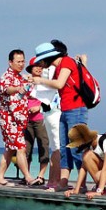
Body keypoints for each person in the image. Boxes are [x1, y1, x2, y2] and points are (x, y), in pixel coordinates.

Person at [29, 40, 89, 192]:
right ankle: (63, 182)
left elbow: (59, 84)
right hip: (65, 109)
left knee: (77, 148)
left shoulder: (67, 62)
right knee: (64, 148)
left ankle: (83, 184)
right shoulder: (58, 67)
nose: (41, 65)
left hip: (76, 109)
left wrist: (40, 80)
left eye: (41, 61)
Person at [0, 49, 36, 186]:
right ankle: (28, 177)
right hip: (9, 118)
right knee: (20, 147)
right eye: (18, 62)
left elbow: (28, 92)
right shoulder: (6, 77)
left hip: (20, 118)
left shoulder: (21, 77)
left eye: (23, 61)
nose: (21, 64)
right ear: (10, 62)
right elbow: (7, 89)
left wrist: (30, 82)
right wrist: (17, 88)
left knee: (10, 148)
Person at [63, 124, 106, 199]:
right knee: (86, 156)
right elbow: (83, 168)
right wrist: (76, 190)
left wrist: (99, 191)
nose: (77, 146)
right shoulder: (90, 146)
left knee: (98, 176)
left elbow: (105, 167)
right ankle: (103, 187)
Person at [27, 57, 62, 189]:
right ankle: (31, 177)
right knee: (27, 149)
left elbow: (54, 100)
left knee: (47, 148)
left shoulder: (48, 81)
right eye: (35, 66)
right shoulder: (30, 82)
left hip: (45, 118)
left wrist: (40, 108)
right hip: (33, 118)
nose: (39, 68)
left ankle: (47, 178)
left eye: (40, 65)